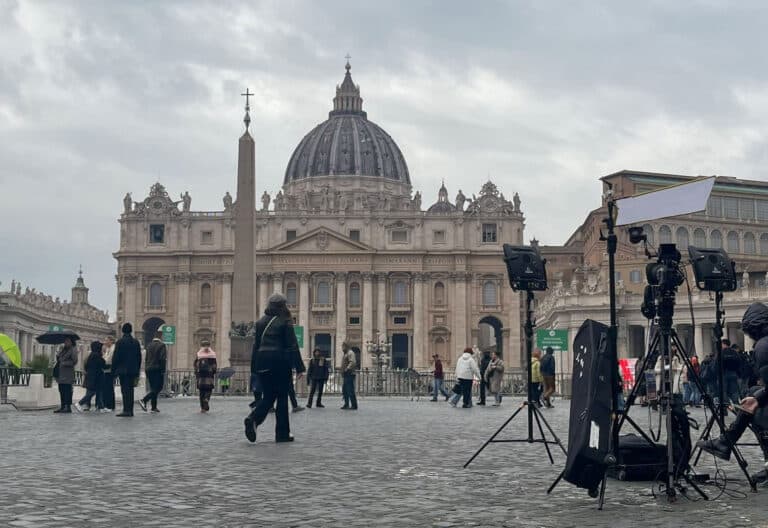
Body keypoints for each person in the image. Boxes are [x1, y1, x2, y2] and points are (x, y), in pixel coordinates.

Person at [698, 302, 768, 460]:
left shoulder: (763, 346)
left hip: (732, 381)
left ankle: (726, 441)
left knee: (753, 402)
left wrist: (758, 398)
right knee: (752, 398)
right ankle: (726, 441)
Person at [244, 293, 306, 443]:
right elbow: (292, 345)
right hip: (280, 362)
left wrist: (254, 369)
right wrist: (299, 367)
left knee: (269, 396)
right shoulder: (285, 321)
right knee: (282, 397)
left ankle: (253, 419)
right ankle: (282, 434)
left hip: (263, 363)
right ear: (282, 306)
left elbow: (256, 347)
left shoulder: (259, 323)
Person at [112, 323, 142, 417]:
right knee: (131, 390)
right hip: (133, 370)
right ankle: (130, 410)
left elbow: (116, 357)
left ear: (123, 331)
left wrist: (114, 370)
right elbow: (139, 357)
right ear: (131, 330)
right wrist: (137, 370)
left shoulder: (120, 342)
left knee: (125, 390)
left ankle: (126, 410)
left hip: (123, 370)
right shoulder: (136, 342)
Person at [139, 330, 167, 413]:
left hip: (149, 369)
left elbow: (146, 358)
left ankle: (154, 407)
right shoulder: (162, 345)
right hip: (157, 369)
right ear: (161, 336)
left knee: (153, 388)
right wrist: (163, 370)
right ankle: (144, 400)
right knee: (159, 387)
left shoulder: (149, 345)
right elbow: (162, 359)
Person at [75, 341, 105, 412]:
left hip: (92, 376)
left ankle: (101, 407)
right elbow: (102, 364)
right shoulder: (96, 355)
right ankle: (79, 403)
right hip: (95, 377)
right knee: (92, 392)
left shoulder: (92, 355)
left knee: (99, 391)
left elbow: (86, 365)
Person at [53, 336, 78, 414]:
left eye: (67, 341)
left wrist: (64, 363)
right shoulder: (63, 349)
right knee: (61, 390)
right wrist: (58, 355)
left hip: (67, 374)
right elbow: (60, 359)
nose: (65, 342)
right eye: (65, 341)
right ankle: (63, 406)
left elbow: (74, 361)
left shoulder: (73, 349)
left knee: (67, 391)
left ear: (71, 342)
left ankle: (68, 407)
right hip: (60, 373)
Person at [194, 340, 217, 412]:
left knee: (201, 392)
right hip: (209, 375)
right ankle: (206, 398)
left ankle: (202, 408)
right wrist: (213, 372)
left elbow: (195, 365)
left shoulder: (199, 354)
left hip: (201, 376)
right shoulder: (212, 354)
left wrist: (196, 373)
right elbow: (214, 366)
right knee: (209, 389)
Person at [720, 338, 743, 405]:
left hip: (724, 374)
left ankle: (725, 407)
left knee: (723, 391)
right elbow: (739, 363)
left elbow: (717, 364)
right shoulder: (735, 352)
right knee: (734, 391)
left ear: (724, 344)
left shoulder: (721, 352)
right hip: (733, 373)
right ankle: (736, 406)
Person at [340, 342, 358, 410]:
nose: (342, 348)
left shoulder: (350, 353)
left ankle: (354, 405)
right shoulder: (346, 353)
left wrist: (347, 368)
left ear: (346, 346)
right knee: (345, 390)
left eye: (343, 346)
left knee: (350, 390)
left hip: (349, 373)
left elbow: (353, 362)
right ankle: (346, 404)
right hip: (346, 374)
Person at [101, 335, 116, 413]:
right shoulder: (107, 349)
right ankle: (108, 405)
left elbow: (108, 359)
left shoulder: (113, 348)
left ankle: (109, 405)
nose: (105, 342)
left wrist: (103, 360)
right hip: (106, 370)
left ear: (111, 341)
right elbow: (104, 357)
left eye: (106, 340)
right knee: (107, 388)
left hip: (110, 370)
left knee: (109, 388)